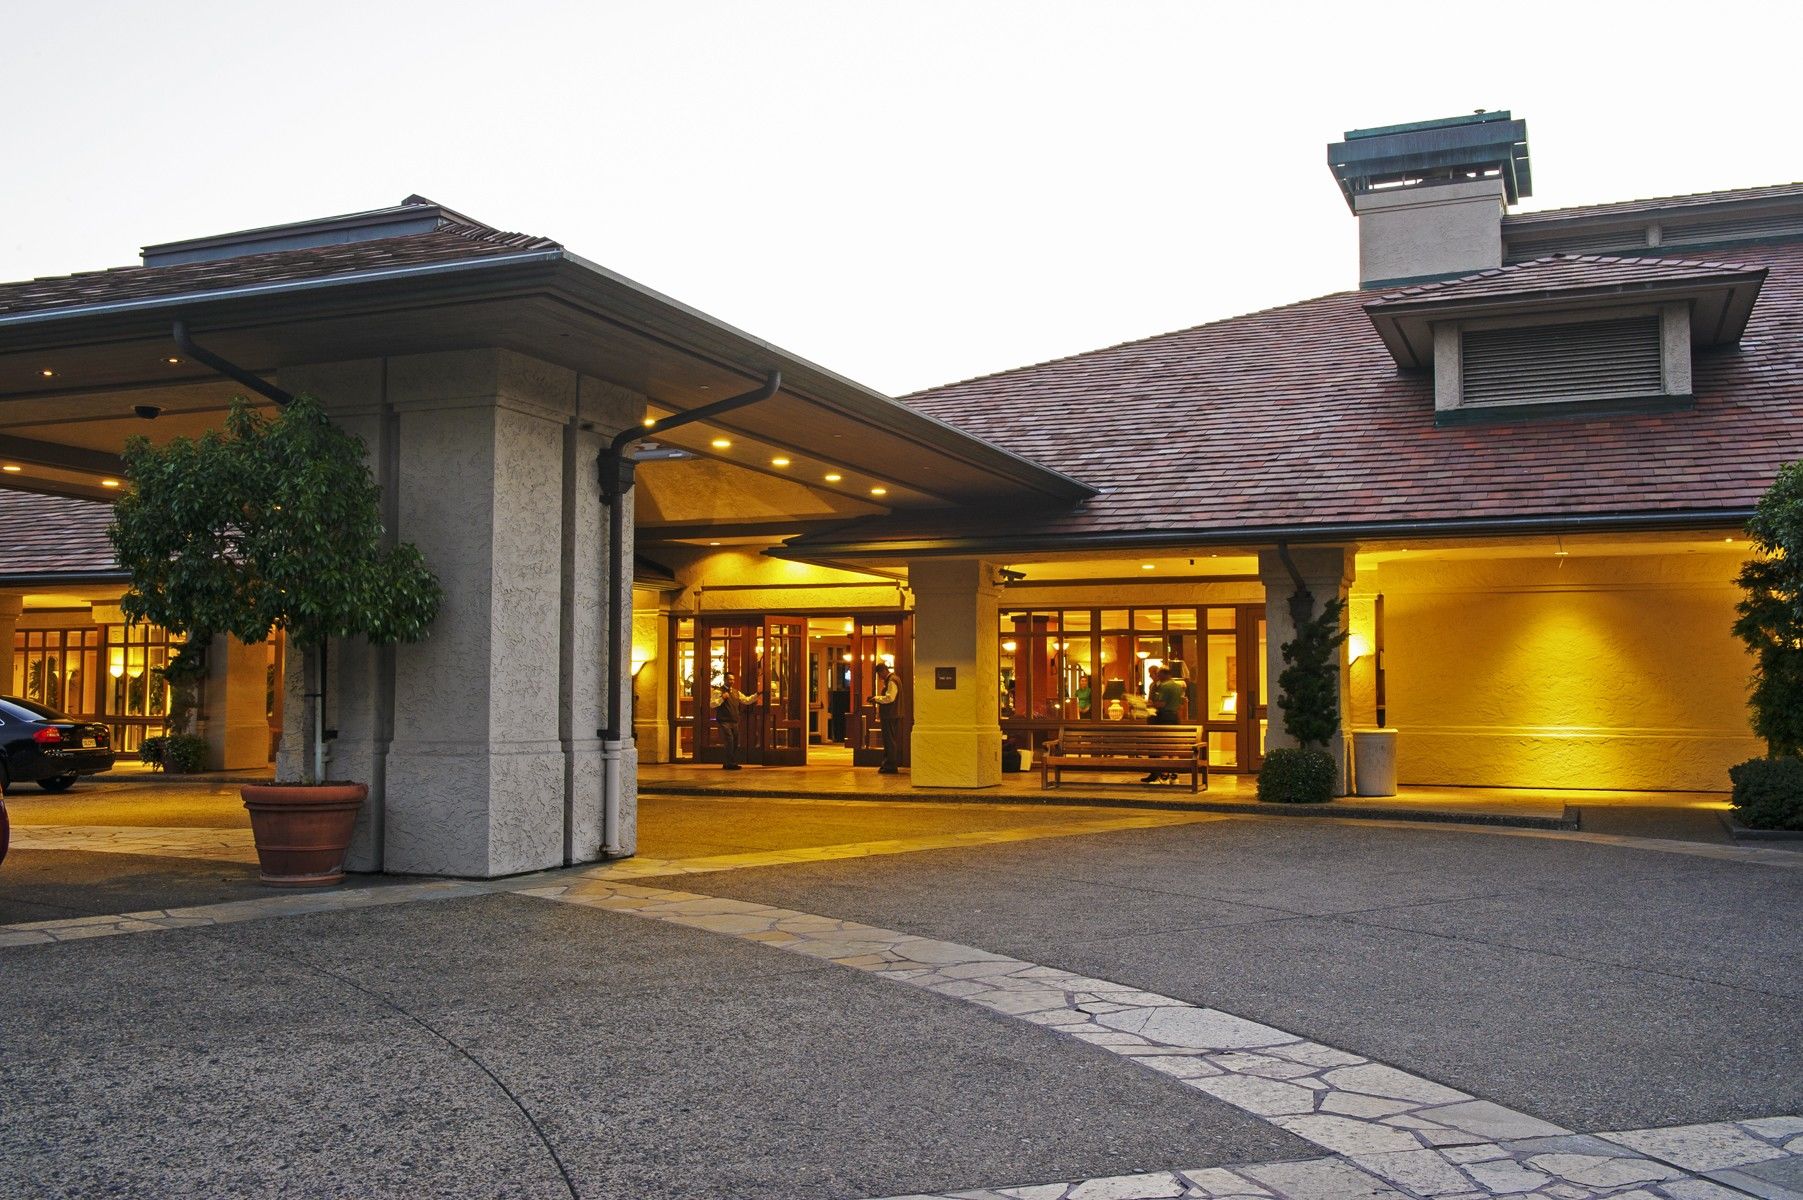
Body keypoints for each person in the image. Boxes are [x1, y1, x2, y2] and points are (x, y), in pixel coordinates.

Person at [1143, 665, 1183, 783]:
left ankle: (1164, 774)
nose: (1152, 676)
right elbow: (1181, 704)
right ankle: (1174, 774)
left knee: (1163, 747)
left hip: (1164, 718)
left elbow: (1161, 704)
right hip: (1174, 718)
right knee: (1173, 747)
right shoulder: (1178, 686)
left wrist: (1148, 704)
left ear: (1162, 674)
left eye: (1155, 673)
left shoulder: (1165, 687)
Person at [714, 671, 755, 770]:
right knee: (729, 741)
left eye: (733, 679)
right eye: (729, 679)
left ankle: (728, 762)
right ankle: (730, 763)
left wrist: (757, 695)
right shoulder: (718, 692)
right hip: (724, 721)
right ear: (724, 680)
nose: (732, 681)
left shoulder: (736, 692)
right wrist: (722, 698)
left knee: (735, 742)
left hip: (734, 721)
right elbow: (712, 704)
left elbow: (746, 700)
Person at [870, 661, 901, 774]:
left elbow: (890, 698)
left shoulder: (892, 681)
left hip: (890, 715)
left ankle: (890, 766)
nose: (880, 677)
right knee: (890, 740)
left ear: (883, 671)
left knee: (889, 741)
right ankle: (889, 764)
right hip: (892, 715)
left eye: (879, 674)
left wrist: (876, 699)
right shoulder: (895, 679)